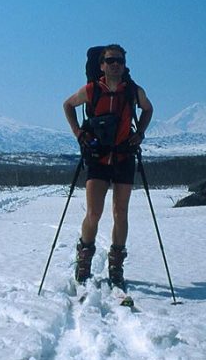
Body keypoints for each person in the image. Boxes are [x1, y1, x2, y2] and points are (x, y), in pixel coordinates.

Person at [62, 44, 153, 287]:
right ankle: (84, 259)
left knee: (120, 213)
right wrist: (78, 133)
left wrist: (140, 133)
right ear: (101, 65)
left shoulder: (132, 91)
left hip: (123, 156)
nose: (115, 65)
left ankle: (116, 265)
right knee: (94, 213)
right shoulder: (91, 90)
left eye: (120, 61)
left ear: (125, 65)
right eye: (111, 60)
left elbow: (148, 109)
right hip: (98, 157)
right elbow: (67, 105)